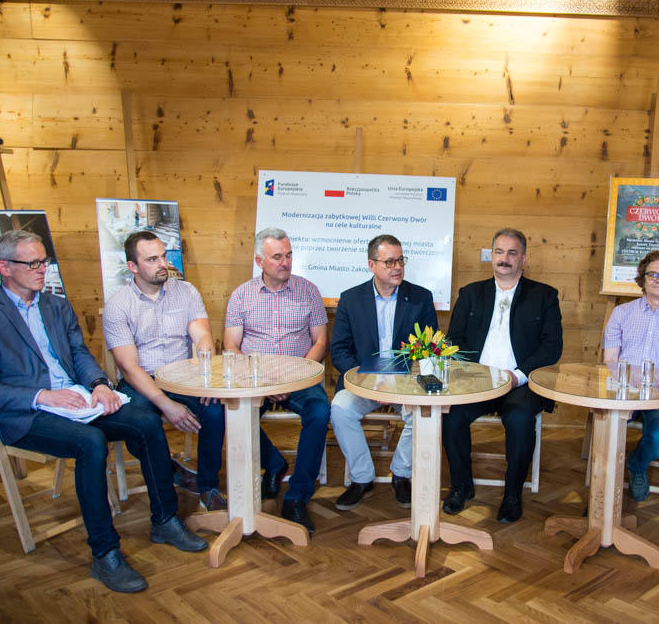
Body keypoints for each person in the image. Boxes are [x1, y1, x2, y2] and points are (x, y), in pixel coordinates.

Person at [0, 230, 207, 593]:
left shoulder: (56, 305)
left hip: (78, 400)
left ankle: (165, 520)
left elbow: (79, 353)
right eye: (32, 263)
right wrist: (42, 396)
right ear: (4, 268)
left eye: (44, 261)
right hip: (30, 413)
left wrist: (99, 384)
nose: (42, 269)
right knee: (91, 442)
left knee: (145, 421)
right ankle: (105, 554)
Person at [441, 228, 563, 523]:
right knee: (451, 416)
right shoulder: (470, 293)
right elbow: (454, 339)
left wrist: (518, 376)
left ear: (523, 258)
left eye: (512, 252)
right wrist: (474, 373)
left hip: (520, 383)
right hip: (477, 380)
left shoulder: (544, 296)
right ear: (491, 256)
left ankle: (512, 495)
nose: (504, 258)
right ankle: (461, 486)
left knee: (520, 420)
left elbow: (552, 346)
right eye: (499, 252)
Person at [103, 231, 227, 512]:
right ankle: (168, 471)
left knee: (215, 410)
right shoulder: (118, 305)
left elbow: (202, 336)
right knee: (140, 424)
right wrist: (167, 405)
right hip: (140, 380)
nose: (162, 264)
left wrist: (206, 373)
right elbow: (129, 368)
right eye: (152, 259)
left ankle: (208, 487)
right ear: (133, 266)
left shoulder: (186, 291)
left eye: (163, 256)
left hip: (183, 376)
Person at [223, 227, 330, 535]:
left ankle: (297, 497)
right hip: (254, 378)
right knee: (231, 413)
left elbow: (320, 342)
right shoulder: (241, 295)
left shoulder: (308, 291)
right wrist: (259, 379)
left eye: (289, 255)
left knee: (320, 412)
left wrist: (292, 379)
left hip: (299, 378)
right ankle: (273, 463)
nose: (286, 262)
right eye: (278, 257)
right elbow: (230, 345)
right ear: (260, 261)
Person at [330, 234, 438, 510]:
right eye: (390, 262)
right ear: (372, 265)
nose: (398, 267)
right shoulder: (351, 299)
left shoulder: (420, 298)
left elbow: (428, 350)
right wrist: (369, 384)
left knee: (425, 413)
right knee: (340, 408)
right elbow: (339, 350)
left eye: (400, 260)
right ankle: (362, 478)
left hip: (407, 384)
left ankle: (401, 474)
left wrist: (399, 387)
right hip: (364, 382)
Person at [602, 250, 659, 501]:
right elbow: (610, 361)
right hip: (622, 389)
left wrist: (653, 392)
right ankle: (602, 487)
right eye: (653, 274)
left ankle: (636, 464)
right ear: (642, 279)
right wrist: (629, 390)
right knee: (605, 430)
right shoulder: (621, 313)